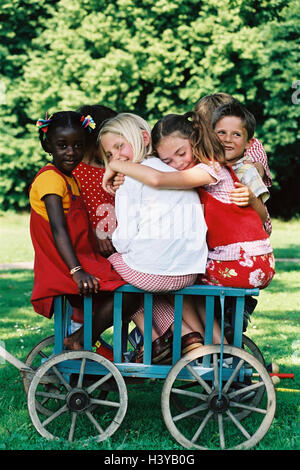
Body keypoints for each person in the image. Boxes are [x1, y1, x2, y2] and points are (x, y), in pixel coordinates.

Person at [102, 112, 275, 339]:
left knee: (172, 276)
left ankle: (181, 335)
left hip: (239, 263)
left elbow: (158, 179)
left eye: (182, 153)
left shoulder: (206, 169)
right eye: (168, 162)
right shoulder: (203, 168)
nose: (177, 164)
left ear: (195, 142)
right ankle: (209, 342)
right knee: (181, 279)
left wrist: (116, 165)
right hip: (250, 260)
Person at [99, 112, 210, 359]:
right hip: (190, 270)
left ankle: (156, 337)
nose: (116, 158)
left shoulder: (128, 179)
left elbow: (125, 238)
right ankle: (186, 336)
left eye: (119, 147)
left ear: (143, 138)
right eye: (109, 155)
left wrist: (117, 246)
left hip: (159, 273)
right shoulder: (171, 170)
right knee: (139, 280)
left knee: (111, 269)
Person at [30, 110, 139, 351]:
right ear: (47, 144)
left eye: (78, 145)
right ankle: (81, 339)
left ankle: (89, 340)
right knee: (131, 291)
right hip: (63, 265)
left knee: (131, 285)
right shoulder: (50, 179)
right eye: (62, 145)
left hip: (79, 259)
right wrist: (77, 270)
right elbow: (58, 229)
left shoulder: (69, 179)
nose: (71, 152)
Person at [194, 93, 273, 234]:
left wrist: (254, 170)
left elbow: (257, 166)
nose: (226, 138)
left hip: (251, 224)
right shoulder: (199, 146)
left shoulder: (250, 145)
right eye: (220, 132)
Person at [72, 104, 117, 257]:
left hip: (118, 245)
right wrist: (93, 233)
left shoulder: (114, 167)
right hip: (88, 247)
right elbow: (70, 214)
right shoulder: (73, 172)